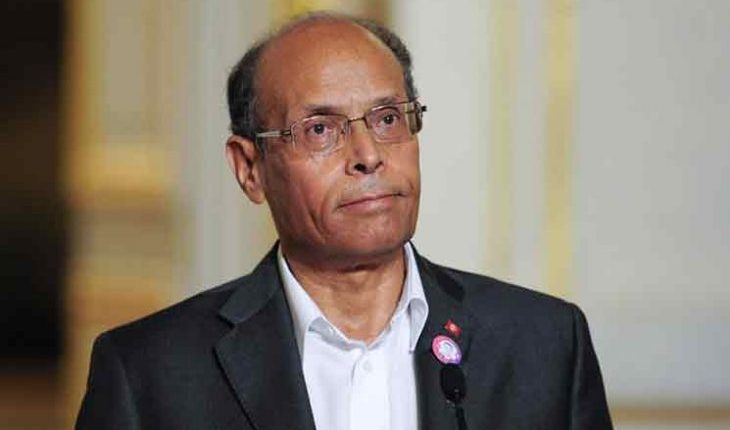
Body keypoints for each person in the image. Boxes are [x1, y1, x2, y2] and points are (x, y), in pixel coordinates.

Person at [76, 12, 613, 430]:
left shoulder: (543, 345)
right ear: (249, 169)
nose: (368, 155)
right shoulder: (151, 374)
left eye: (387, 118)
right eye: (319, 129)